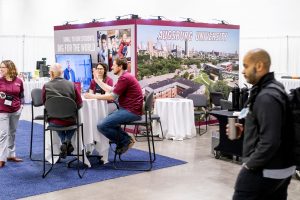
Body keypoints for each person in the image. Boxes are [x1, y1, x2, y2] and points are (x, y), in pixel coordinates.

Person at [229, 49, 295, 200]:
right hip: (280, 168)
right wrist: (245, 131)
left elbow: (270, 141)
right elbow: (274, 127)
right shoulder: (273, 88)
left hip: (266, 169)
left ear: (259, 66)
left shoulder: (266, 96)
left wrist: (250, 165)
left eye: (246, 66)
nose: (243, 71)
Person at [84, 58, 143, 154]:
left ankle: (125, 140)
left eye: (114, 65)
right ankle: (126, 139)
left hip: (131, 111)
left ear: (120, 67)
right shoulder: (125, 77)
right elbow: (111, 89)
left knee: (102, 125)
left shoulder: (124, 78)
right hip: (129, 109)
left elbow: (112, 97)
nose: (111, 67)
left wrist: (92, 96)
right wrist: (97, 81)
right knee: (107, 123)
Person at [42, 63, 82, 158]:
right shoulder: (71, 85)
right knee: (75, 122)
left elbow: (44, 103)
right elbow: (79, 103)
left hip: (54, 121)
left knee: (56, 122)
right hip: (70, 120)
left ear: (51, 73)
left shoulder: (46, 86)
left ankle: (64, 142)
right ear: (62, 72)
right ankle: (67, 142)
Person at [0, 60, 24, 168]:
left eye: (3, 67)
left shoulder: (19, 81)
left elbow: (22, 95)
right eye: (0, 67)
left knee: (12, 133)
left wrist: (21, 106)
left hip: (16, 110)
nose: (1, 69)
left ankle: (11, 155)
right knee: (3, 134)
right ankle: (1, 158)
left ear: (9, 68)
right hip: (3, 111)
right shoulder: (0, 81)